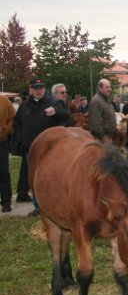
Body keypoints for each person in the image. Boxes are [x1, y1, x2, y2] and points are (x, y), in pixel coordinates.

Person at [12, 79, 71, 216]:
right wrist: (21, 139)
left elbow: (66, 115)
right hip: (30, 148)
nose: (40, 91)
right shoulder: (25, 105)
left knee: (50, 176)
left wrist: (56, 111)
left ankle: (53, 205)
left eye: (42, 88)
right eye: (36, 88)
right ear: (31, 89)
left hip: (49, 148)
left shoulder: (53, 102)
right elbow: (17, 123)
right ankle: (38, 206)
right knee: (34, 178)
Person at [0, 95, 16, 212]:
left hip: (2, 142)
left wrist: (5, 130)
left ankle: (6, 202)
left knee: (3, 172)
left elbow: (13, 119)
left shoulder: (5, 101)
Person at [88, 79, 117, 143]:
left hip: (108, 136)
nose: (110, 89)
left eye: (110, 87)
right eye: (107, 87)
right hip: (102, 139)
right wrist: (103, 137)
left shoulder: (105, 99)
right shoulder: (96, 101)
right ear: (100, 88)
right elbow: (95, 123)